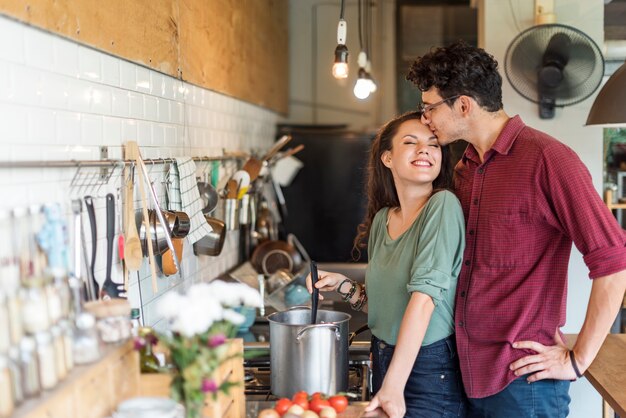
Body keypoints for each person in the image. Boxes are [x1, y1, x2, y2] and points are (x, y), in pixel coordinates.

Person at [406, 41, 626, 417]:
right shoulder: (464, 168)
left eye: (429, 108)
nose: (425, 117)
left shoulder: (549, 160)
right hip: (464, 376)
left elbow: (614, 262)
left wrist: (578, 360)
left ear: (463, 105)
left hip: (525, 385)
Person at [306, 111, 468, 418]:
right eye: (411, 142)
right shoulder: (383, 220)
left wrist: (393, 384)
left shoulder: (443, 206)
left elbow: (423, 302)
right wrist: (343, 285)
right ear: (387, 158)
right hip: (385, 361)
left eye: (433, 144)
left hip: (428, 370)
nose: (425, 150)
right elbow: (385, 305)